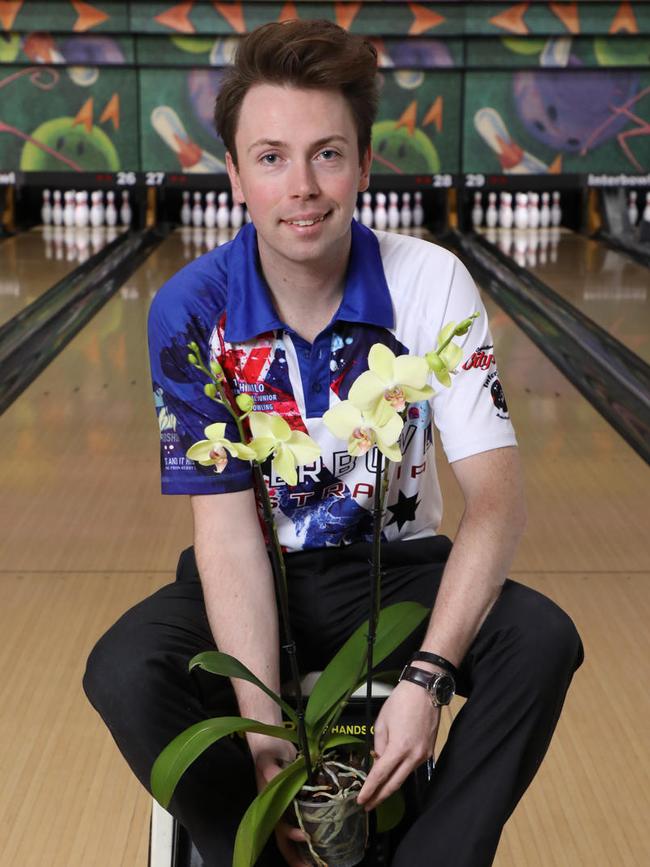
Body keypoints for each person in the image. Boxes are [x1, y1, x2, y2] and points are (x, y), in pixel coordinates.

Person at [83, 19, 583, 867]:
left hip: (400, 573)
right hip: (260, 576)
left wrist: (427, 679)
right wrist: (264, 726)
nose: (303, 186)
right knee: (124, 667)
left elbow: (495, 506)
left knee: (542, 638)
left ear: (362, 161)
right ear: (236, 175)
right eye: (272, 157)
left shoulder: (430, 284)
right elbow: (227, 533)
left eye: (327, 153)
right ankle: (256, 847)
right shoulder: (190, 312)